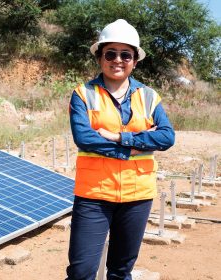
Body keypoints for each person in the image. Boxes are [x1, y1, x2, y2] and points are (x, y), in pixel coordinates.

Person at [66, 19, 175, 280]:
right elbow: (85, 138)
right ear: (100, 58)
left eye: (125, 54)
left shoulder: (149, 96)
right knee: (81, 273)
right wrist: (135, 148)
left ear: (135, 61)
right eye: (110, 53)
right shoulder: (83, 94)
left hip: (137, 195)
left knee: (121, 271)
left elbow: (167, 137)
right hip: (94, 194)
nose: (118, 60)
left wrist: (119, 137)